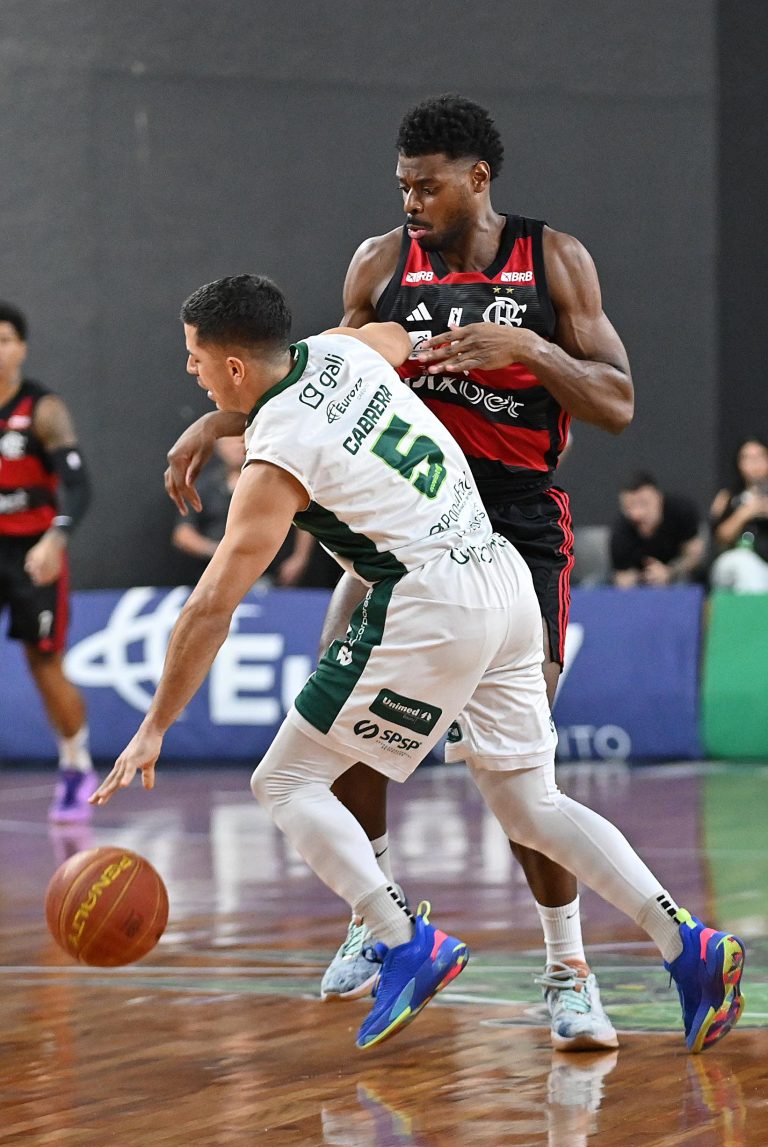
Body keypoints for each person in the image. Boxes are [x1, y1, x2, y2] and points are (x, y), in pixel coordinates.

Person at [90, 273, 744, 1056]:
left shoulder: (274, 462)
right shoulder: (345, 349)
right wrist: (218, 421)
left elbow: (210, 607)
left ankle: (403, 939)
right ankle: (688, 944)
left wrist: (155, 725)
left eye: (195, 358)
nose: (190, 369)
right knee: (531, 804)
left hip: (432, 603)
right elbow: (399, 341)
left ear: (233, 366)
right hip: (501, 576)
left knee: (285, 782)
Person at [163, 95, 635, 1050]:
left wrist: (531, 348)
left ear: (478, 178)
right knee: (333, 732)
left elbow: (619, 401)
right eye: (402, 185)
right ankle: (376, 918)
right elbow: (314, 376)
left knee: (515, 774)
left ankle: (569, 968)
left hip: (511, 522)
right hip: (400, 526)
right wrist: (221, 415)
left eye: (427, 185)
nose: (411, 200)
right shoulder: (381, 263)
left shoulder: (554, 260)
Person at [0, 301, 95, 821]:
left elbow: (78, 487)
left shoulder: (42, 409)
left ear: (21, 348)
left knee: (43, 663)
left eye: (4, 341)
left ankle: (76, 765)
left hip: (32, 551)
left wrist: (54, 540)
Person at [171, 435, 316, 586]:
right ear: (218, 446)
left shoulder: (274, 482)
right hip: (215, 575)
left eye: (241, 441)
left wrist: (300, 557)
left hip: (267, 575)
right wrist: (217, 551)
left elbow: (304, 515)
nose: (236, 447)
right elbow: (183, 533)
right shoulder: (205, 486)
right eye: (229, 442)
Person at [610, 472, 706, 587]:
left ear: (659, 498)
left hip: (679, 577)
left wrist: (670, 572)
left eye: (644, 504)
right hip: (640, 584)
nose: (638, 513)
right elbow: (621, 575)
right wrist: (640, 578)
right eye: (629, 507)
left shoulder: (681, 511)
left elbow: (694, 557)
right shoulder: (620, 530)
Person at [708, 437, 768, 593]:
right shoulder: (727, 497)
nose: (754, 463)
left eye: (759, 456)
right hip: (733, 563)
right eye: (747, 458)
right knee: (744, 563)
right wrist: (745, 513)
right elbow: (719, 539)